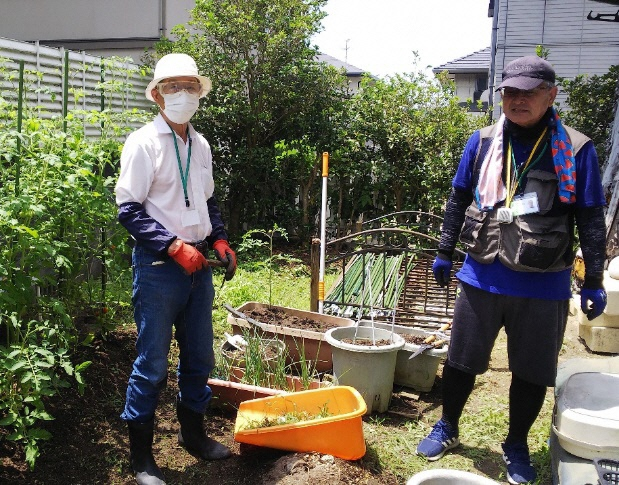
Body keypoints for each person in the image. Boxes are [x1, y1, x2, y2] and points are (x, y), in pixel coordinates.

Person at [416, 55, 607, 484]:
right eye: (511, 92)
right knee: (462, 361)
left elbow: (591, 218)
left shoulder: (577, 148)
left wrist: (593, 279)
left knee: (532, 370)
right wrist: (446, 251)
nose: (518, 100)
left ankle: (516, 443)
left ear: (551, 95)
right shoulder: (483, 141)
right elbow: (458, 196)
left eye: (529, 92)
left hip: (544, 281)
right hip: (482, 272)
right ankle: (448, 425)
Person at [115, 53, 237, 485]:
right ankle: (142, 459)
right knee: (151, 363)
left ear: (199, 93)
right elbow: (128, 209)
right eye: (172, 86)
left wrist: (219, 238)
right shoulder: (143, 143)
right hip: (158, 267)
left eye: (189, 86)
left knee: (200, 356)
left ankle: (193, 435)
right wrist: (171, 246)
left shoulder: (200, 145)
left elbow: (207, 200)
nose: (181, 94)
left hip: (199, 265)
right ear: (156, 95)